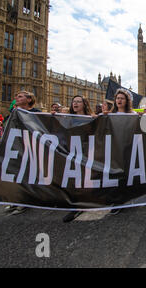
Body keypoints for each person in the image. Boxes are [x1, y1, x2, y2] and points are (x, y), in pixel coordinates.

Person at [0, 91, 41, 215]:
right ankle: (16, 200)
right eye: (16, 96)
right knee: (14, 174)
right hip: (15, 148)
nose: (16, 98)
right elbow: (6, 133)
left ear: (29, 99)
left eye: (20, 96)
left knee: (27, 175)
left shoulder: (36, 113)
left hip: (31, 148)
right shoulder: (14, 114)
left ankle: (24, 201)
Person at [62, 95, 94, 223]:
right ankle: (77, 204)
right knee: (75, 178)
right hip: (71, 151)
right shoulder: (67, 119)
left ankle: (82, 203)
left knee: (85, 177)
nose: (75, 103)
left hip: (87, 151)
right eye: (73, 101)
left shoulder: (90, 118)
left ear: (84, 104)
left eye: (78, 102)